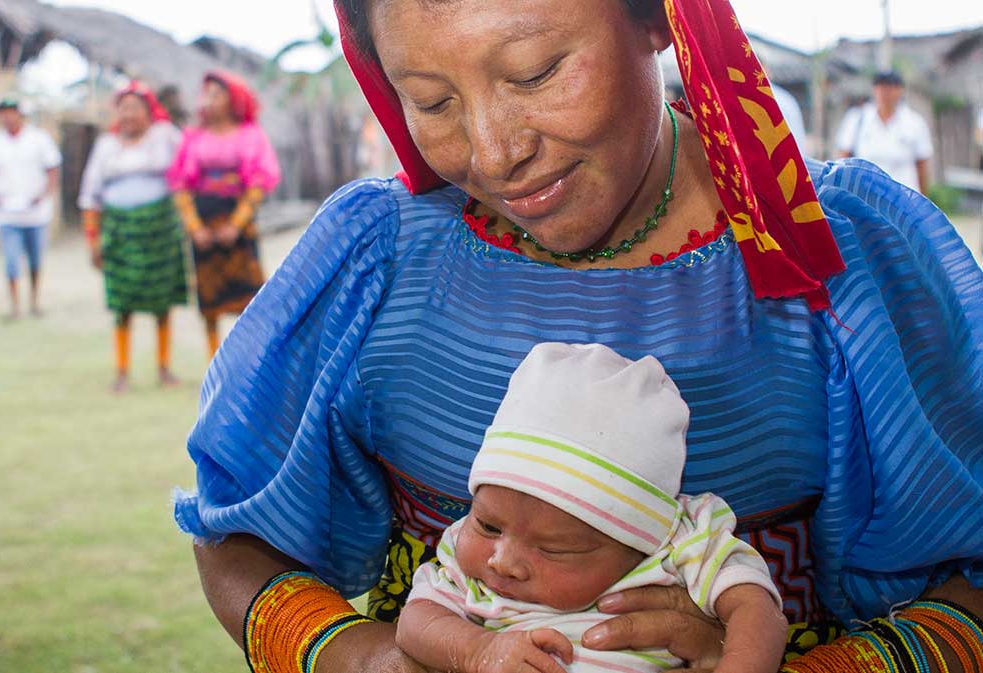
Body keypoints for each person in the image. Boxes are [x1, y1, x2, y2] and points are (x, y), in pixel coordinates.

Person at [175, 1, 983, 672]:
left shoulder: (837, 254)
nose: (495, 153)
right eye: (431, 100)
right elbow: (232, 538)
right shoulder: (372, 261)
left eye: (535, 73)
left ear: (661, 20)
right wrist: (364, 657)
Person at [397, 343, 787, 673]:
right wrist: (477, 649)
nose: (502, 561)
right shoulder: (468, 567)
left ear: (639, 543)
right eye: (488, 526)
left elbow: (756, 609)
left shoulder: (682, 541)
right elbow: (415, 622)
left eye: (553, 549)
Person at [78, 82, 188, 392]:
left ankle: (164, 368)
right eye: (123, 108)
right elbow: (90, 197)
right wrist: (92, 239)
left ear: (149, 111)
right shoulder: (106, 146)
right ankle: (122, 371)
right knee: (122, 304)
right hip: (120, 232)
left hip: (159, 230)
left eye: (134, 108)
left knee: (161, 302)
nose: (128, 115)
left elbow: (188, 170)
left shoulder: (166, 137)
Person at [167, 71, 280, 358]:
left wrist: (236, 224)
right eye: (207, 94)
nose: (209, 100)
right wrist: (194, 228)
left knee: (250, 295)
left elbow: (258, 182)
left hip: (238, 224)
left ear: (233, 100)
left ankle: (252, 361)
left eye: (217, 94)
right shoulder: (193, 137)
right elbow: (180, 185)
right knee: (209, 297)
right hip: (203, 222)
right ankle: (213, 361)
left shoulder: (250, 135)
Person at [0, 96, 61, 321]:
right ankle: (14, 306)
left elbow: (52, 169)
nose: (7, 116)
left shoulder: (39, 139)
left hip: (36, 213)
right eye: (3, 112)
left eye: (11, 111)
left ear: (21, 114)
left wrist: (44, 194)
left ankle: (34, 301)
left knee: (35, 261)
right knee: (11, 261)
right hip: (7, 214)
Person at [835, 70, 934, 194]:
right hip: (865, 196)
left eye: (890, 87)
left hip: (903, 197)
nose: (885, 92)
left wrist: (923, 202)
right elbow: (844, 160)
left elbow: (922, 166)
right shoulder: (857, 119)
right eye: (881, 87)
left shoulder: (914, 122)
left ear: (900, 90)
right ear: (874, 89)